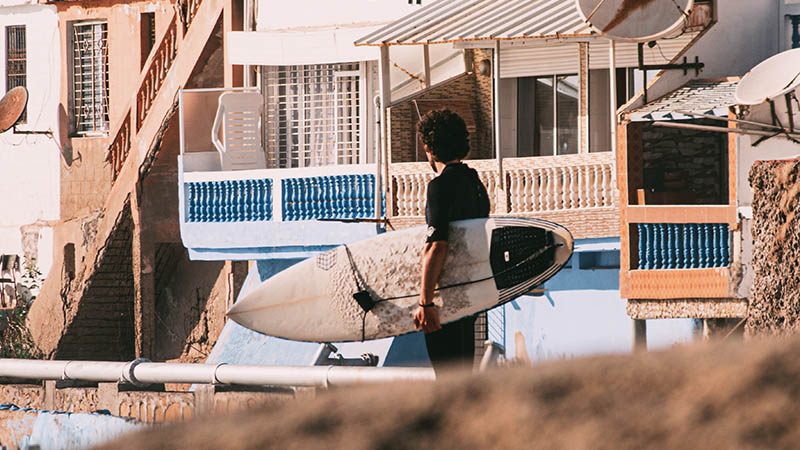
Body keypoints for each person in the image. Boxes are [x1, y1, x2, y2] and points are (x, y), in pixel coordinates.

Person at [412, 108, 490, 376]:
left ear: (428, 148)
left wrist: (425, 303)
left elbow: (437, 244)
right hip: (470, 293)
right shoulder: (474, 181)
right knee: (462, 375)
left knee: (446, 377)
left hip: (446, 298)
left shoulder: (440, 186)